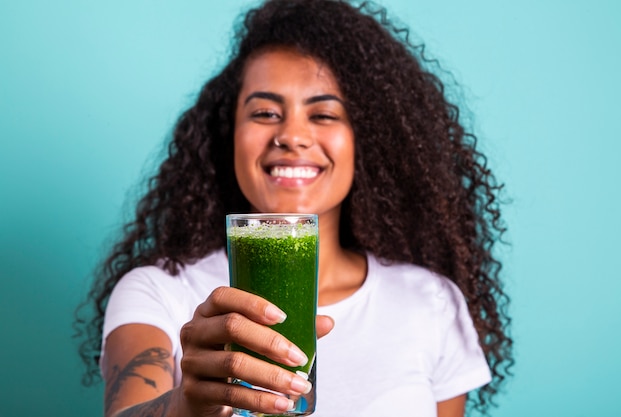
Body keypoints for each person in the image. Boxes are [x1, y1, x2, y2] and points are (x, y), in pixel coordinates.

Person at [75, 0, 513, 416]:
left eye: (324, 115)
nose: (292, 135)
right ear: (229, 135)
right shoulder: (159, 291)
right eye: (265, 113)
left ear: (370, 140)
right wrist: (187, 406)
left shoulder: (431, 303)